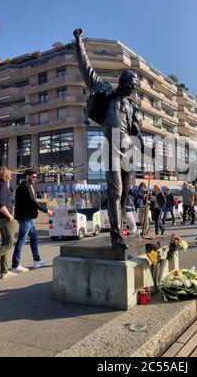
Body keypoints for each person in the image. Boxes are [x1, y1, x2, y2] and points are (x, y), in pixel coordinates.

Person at [74, 29, 153, 249]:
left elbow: (137, 132)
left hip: (128, 148)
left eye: (134, 87)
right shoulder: (106, 93)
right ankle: (116, 236)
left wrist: (147, 150)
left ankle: (122, 231)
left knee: (125, 194)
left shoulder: (132, 106)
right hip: (112, 147)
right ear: (123, 82)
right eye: (131, 85)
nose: (133, 89)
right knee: (115, 191)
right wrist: (78, 43)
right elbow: (86, 68)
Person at [12, 169, 54, 272]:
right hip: (26, 219)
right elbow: (33, 201)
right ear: (27, 176)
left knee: (34, 237)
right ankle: (15, 265)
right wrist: (46, 210)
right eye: (33, 177)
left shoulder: (27, 186)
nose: (35, 179)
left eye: (36, 177)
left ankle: (37, 261)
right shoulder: (25, 186)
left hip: (28, 219)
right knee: (21, 241)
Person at [0, 167, 17, 279]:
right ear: (6, 175)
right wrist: (10, 216)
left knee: (5, 244)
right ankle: (3, 269)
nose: (11, 176)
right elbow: (1, 204)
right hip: (5, 218)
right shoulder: (2, 186)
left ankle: (4, 271)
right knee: (9, 243)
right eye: (10, 174)